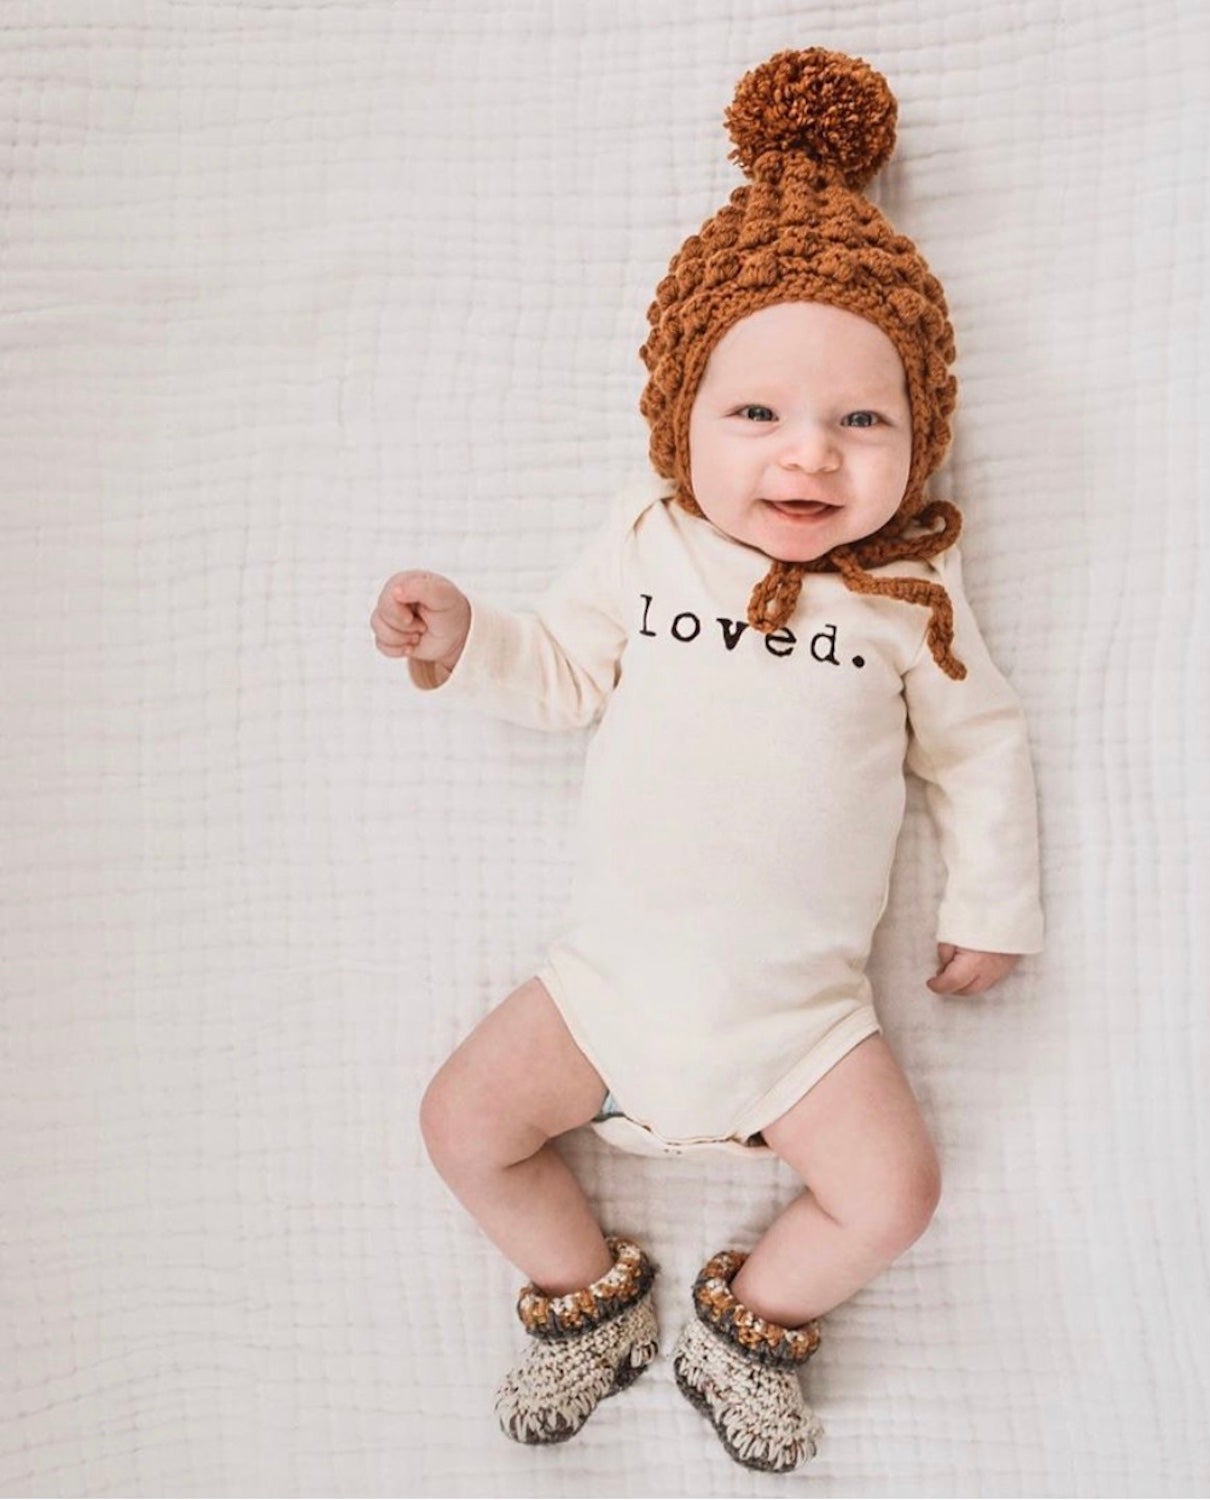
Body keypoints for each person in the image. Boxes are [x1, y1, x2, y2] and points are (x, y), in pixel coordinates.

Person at [369, 46, 1044, 1475]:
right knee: (462, 1124)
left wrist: (991, 904)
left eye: (863, 421)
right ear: (682, 418)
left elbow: (977, 740)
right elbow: (562, 673)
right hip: (603, 994)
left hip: (804, 1024)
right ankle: (587, 1297)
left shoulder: (910, 590)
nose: (810, 458)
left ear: (920, 436)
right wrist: (468, 635)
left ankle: (752, 1322)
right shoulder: (649, 543)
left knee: (895, 1194)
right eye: (757, 415)